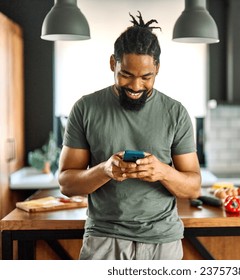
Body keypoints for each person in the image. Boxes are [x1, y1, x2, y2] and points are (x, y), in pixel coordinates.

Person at [58, 11, 201, 260]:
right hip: (103, 239)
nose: (136, 86)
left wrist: (163, 172)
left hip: (162, 242)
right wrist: (104, 170)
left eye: (146, 77)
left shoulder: (176, 113)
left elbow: (194, 187)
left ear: (157, 68)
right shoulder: (85, 108)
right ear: (113, 63)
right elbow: (66, 184)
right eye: (126, 75)